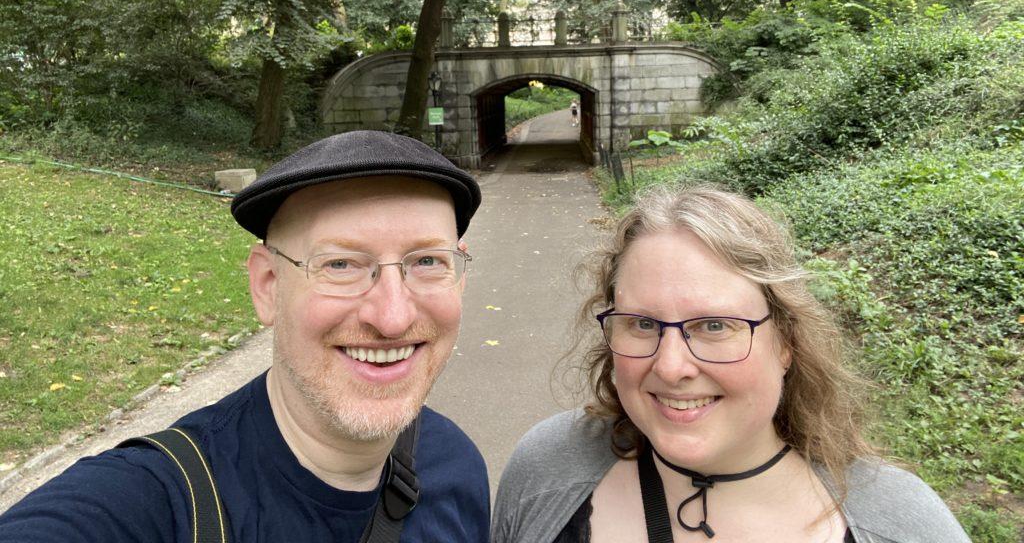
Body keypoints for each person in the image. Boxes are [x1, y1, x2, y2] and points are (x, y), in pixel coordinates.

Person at [0, 130, 490, 543]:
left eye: (428, 261)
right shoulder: (152, 502)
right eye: (340, 264)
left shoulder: (458, 465)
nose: (392, 317)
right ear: (268, 287)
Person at [492, 185, 970, 543]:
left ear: (785, 341)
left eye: (715, 326)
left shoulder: (898, 522)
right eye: (641, 323)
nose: (672, 366)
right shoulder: (550, 468)